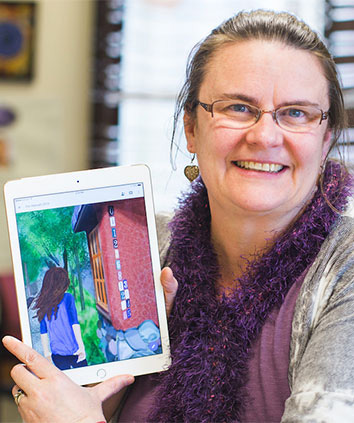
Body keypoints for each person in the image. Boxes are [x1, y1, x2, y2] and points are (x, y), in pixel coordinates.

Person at [3, 8, 354, 423]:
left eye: (297, 113)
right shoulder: (152, 249)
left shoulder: (344, 273)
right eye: (238, 107)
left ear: (326, 136)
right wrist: (106, 397)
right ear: (191, 127)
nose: (264, 136)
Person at [33, 267, 88, 370]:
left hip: (56, 355)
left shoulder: (43, 304)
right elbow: (74, 323)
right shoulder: (68, 298)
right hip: (74, 351)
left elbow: (43, 331)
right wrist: (81, 347)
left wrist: (47, 354)